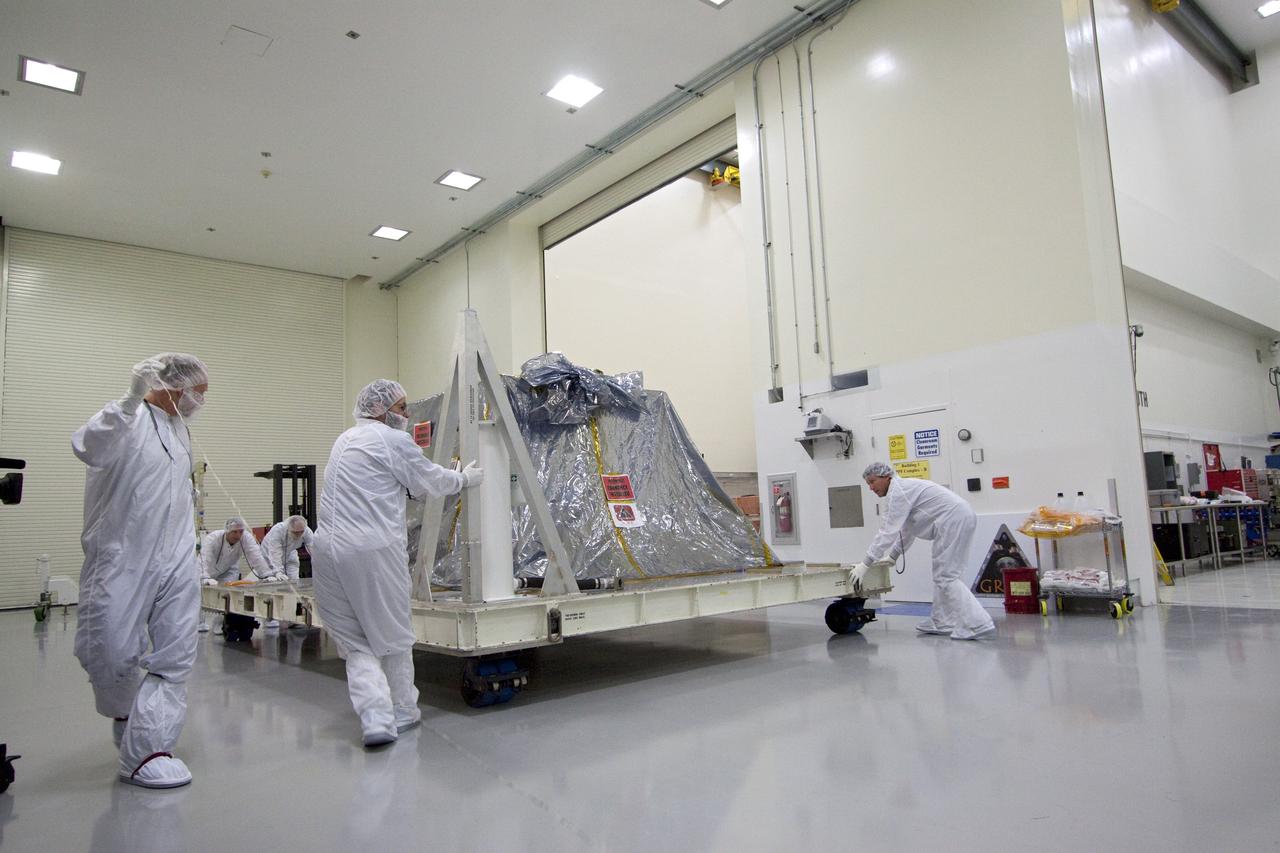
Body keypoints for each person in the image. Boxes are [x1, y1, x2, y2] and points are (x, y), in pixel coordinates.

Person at [312, 379, 482, 747]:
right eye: (402, 408)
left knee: (356, 643)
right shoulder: (391, 440)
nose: (406, 415)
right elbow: (427, 481)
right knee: (393, 637)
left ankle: (376, 719)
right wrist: (463, 479)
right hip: (370, 551)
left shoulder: (345, 439)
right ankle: (403, 711)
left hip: (326, 550)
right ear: (380, 409)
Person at [72, 353, 209, 788]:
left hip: (176, 559)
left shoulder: (179, 430)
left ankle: (148, 750)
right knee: (110, 651)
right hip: (123, 557)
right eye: (198, 393)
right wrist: (130, 399)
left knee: (176, 654)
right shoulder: (126, 419)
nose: (200, 402)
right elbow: (86, 447)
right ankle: (127, 716)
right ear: (174, 387)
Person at [855, 461, 995, 640]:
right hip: (956, 518)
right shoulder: (903, 490)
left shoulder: (898, 492)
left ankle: (978, 624)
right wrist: (894, 556)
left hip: (952, 520)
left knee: (946, 576)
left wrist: (865, 564)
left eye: (872, 481)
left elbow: (887, 531)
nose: (871, 488)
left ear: (886, 476)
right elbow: (907, 529)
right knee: (944, 575)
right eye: (868, 484)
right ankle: (942, 621)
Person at [198, 517, 270, 632]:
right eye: (234, 532)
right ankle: (199, 623)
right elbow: (205, 558)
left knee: (226, 596)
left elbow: (256, 557)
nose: (238, 535)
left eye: (240, 531)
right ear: (227, 530)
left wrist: (267, 574)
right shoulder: (213, 538)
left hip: (229, 569)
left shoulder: (246, 538)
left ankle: (220, 625)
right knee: (199, 596)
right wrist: (204, 576)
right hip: (208, 570)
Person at [258, 514, 314, 627]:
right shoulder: (278, 531)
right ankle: (270, 618)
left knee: (294, 584)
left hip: (290, 553)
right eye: (295, 532)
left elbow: (313, 548)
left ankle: (292, 617)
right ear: (289, 528)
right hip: (268, 557)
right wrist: (277, 571)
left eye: (301, 532)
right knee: (273, 586)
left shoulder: (306, 531)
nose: (299, 535)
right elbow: (275, 552)